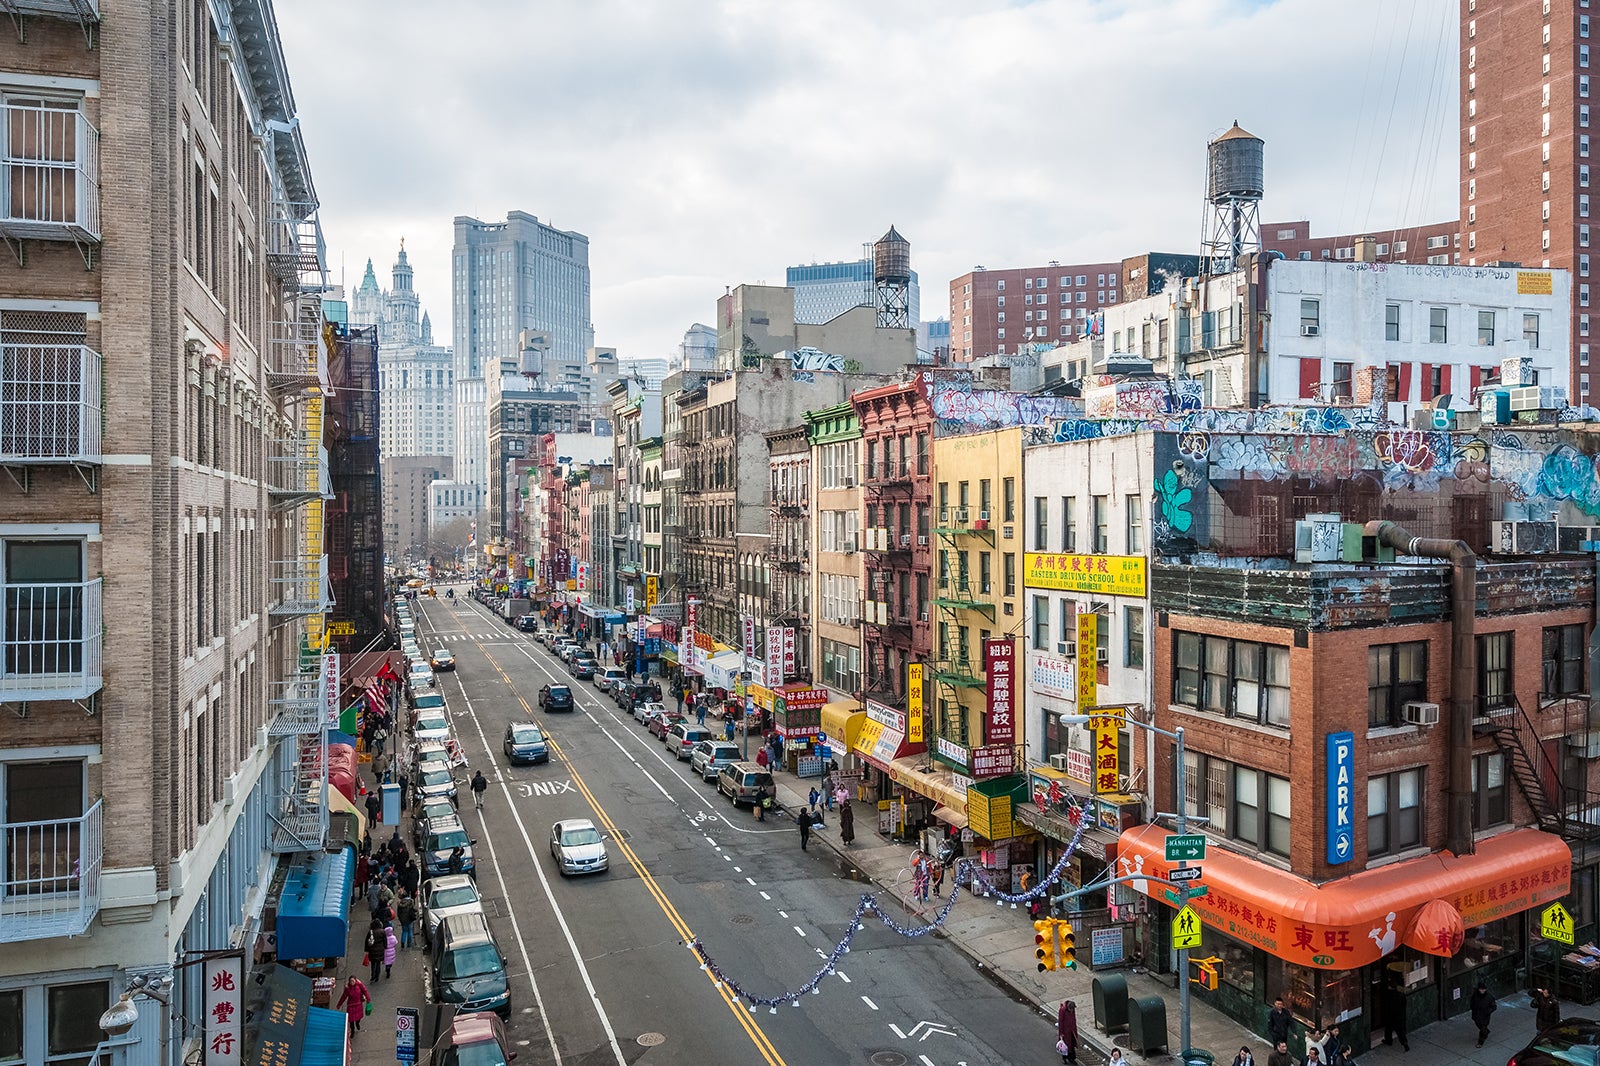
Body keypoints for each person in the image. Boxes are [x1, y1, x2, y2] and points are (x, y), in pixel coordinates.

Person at [1382, 969, 1410, 1050]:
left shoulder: (1390, 996)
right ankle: (1404, 1043)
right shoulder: (1400, 995)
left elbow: (1387, 1005)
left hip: (1391, 1015)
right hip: (1399, 1015)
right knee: (1400, 1030)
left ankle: (1389, 1040)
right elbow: (1404, 1003)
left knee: (1389, 1028)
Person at [1470, 982, 1497, 1047]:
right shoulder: (1475, 994)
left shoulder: (1489, 997)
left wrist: (1487, 1012)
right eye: (1481, 989)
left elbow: (1494, 1007)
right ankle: (1486, 1032)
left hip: (1484, 1016)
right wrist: (1473, 1008)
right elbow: (1472, 1002)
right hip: (1476, 1014)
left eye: (1484, 989)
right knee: (1479, 1025)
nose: (1482, 991)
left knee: (1482, 1029)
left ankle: (1480, 1042)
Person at [1056, 999, 1078, 1063]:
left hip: (1071, 1030)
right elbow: (1061, 1022)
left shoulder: (1072, 1010)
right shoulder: (1062, 1010)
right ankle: (1065, 1058)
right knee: (1065, 1046)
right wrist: (1061, 1033)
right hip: (1065, 1032)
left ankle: (1072, 1058)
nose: (1072, 1011)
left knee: (1072, 1044)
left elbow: (1074, 1019)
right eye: (1071, 1009)